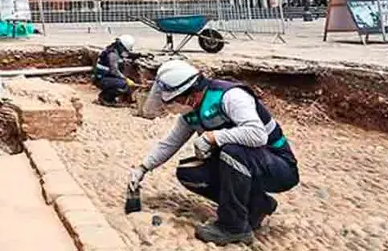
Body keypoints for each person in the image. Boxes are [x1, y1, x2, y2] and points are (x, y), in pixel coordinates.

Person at [127, 60, 299, 246]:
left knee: (232, 152)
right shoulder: (191, 112)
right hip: (245, 163)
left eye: (173, 101)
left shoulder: (230, 96)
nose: (172, 107)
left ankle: (233, 227)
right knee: (189, 173)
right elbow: (170, 143)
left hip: (278, 166)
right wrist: (143, 168)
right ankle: (257, 205)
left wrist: (214, 137)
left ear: (189, 95)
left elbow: (258, 135)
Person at [91, 34, 137, 106]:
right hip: (101, 79)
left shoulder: (113, 50)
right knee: (123, 84)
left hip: (103, 77)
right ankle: (106, 98)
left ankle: (107, 96)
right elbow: (114, 71)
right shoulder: (113, 55)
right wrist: (126, 79)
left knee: (122, 82)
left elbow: (127, 55)